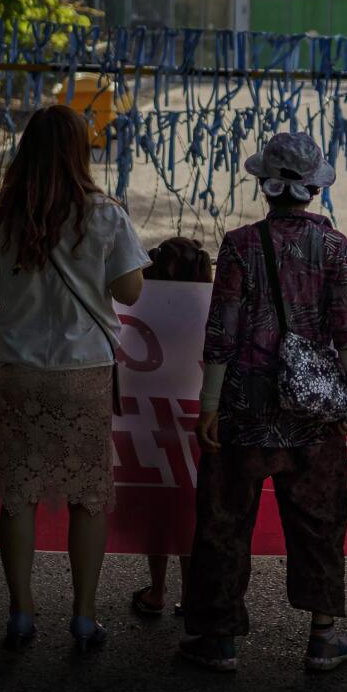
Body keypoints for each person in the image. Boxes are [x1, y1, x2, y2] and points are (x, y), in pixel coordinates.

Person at [179, 131, 347, 674]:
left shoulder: (238, 245)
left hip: (242, 407)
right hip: (312, 412)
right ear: (313, 189)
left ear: (265, 185)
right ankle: (323, 637)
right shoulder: (334, 247)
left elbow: (222, 331)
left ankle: (218, 639)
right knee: (320, 518)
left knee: (224, 518)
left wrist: (209, 403)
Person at [0, 104, 149, 652]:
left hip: (23, 371)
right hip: (85, 373)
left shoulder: (8, 217)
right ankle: (83, 616)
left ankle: (21, 614)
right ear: (81, 151)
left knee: (18, 496)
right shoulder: (105, 215)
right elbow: (129, 292)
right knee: (87, 497)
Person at [131, 235, 211, 619]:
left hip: (149, 419)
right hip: (197, 420)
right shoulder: (208, 309)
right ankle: (194, 591)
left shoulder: (145, 310)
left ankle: (157, 591)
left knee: (155, 508)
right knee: (190, 508)